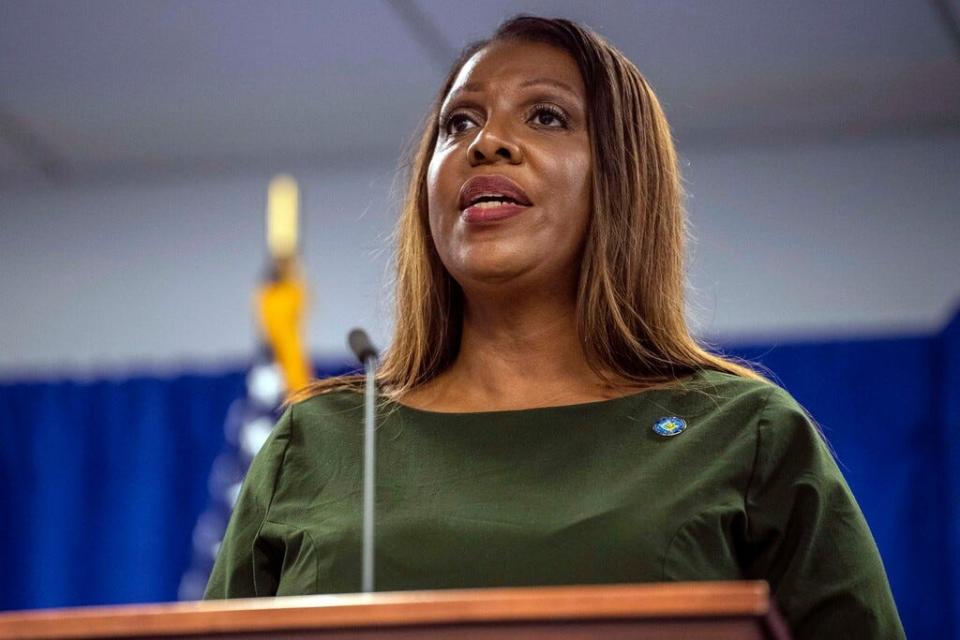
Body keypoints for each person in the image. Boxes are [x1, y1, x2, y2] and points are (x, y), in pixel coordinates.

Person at [204, 15, 905, 639]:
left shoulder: (745, 435)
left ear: (620, 180)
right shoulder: (316, 443)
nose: (487, 144)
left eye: (546, 117)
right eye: (459, 123)